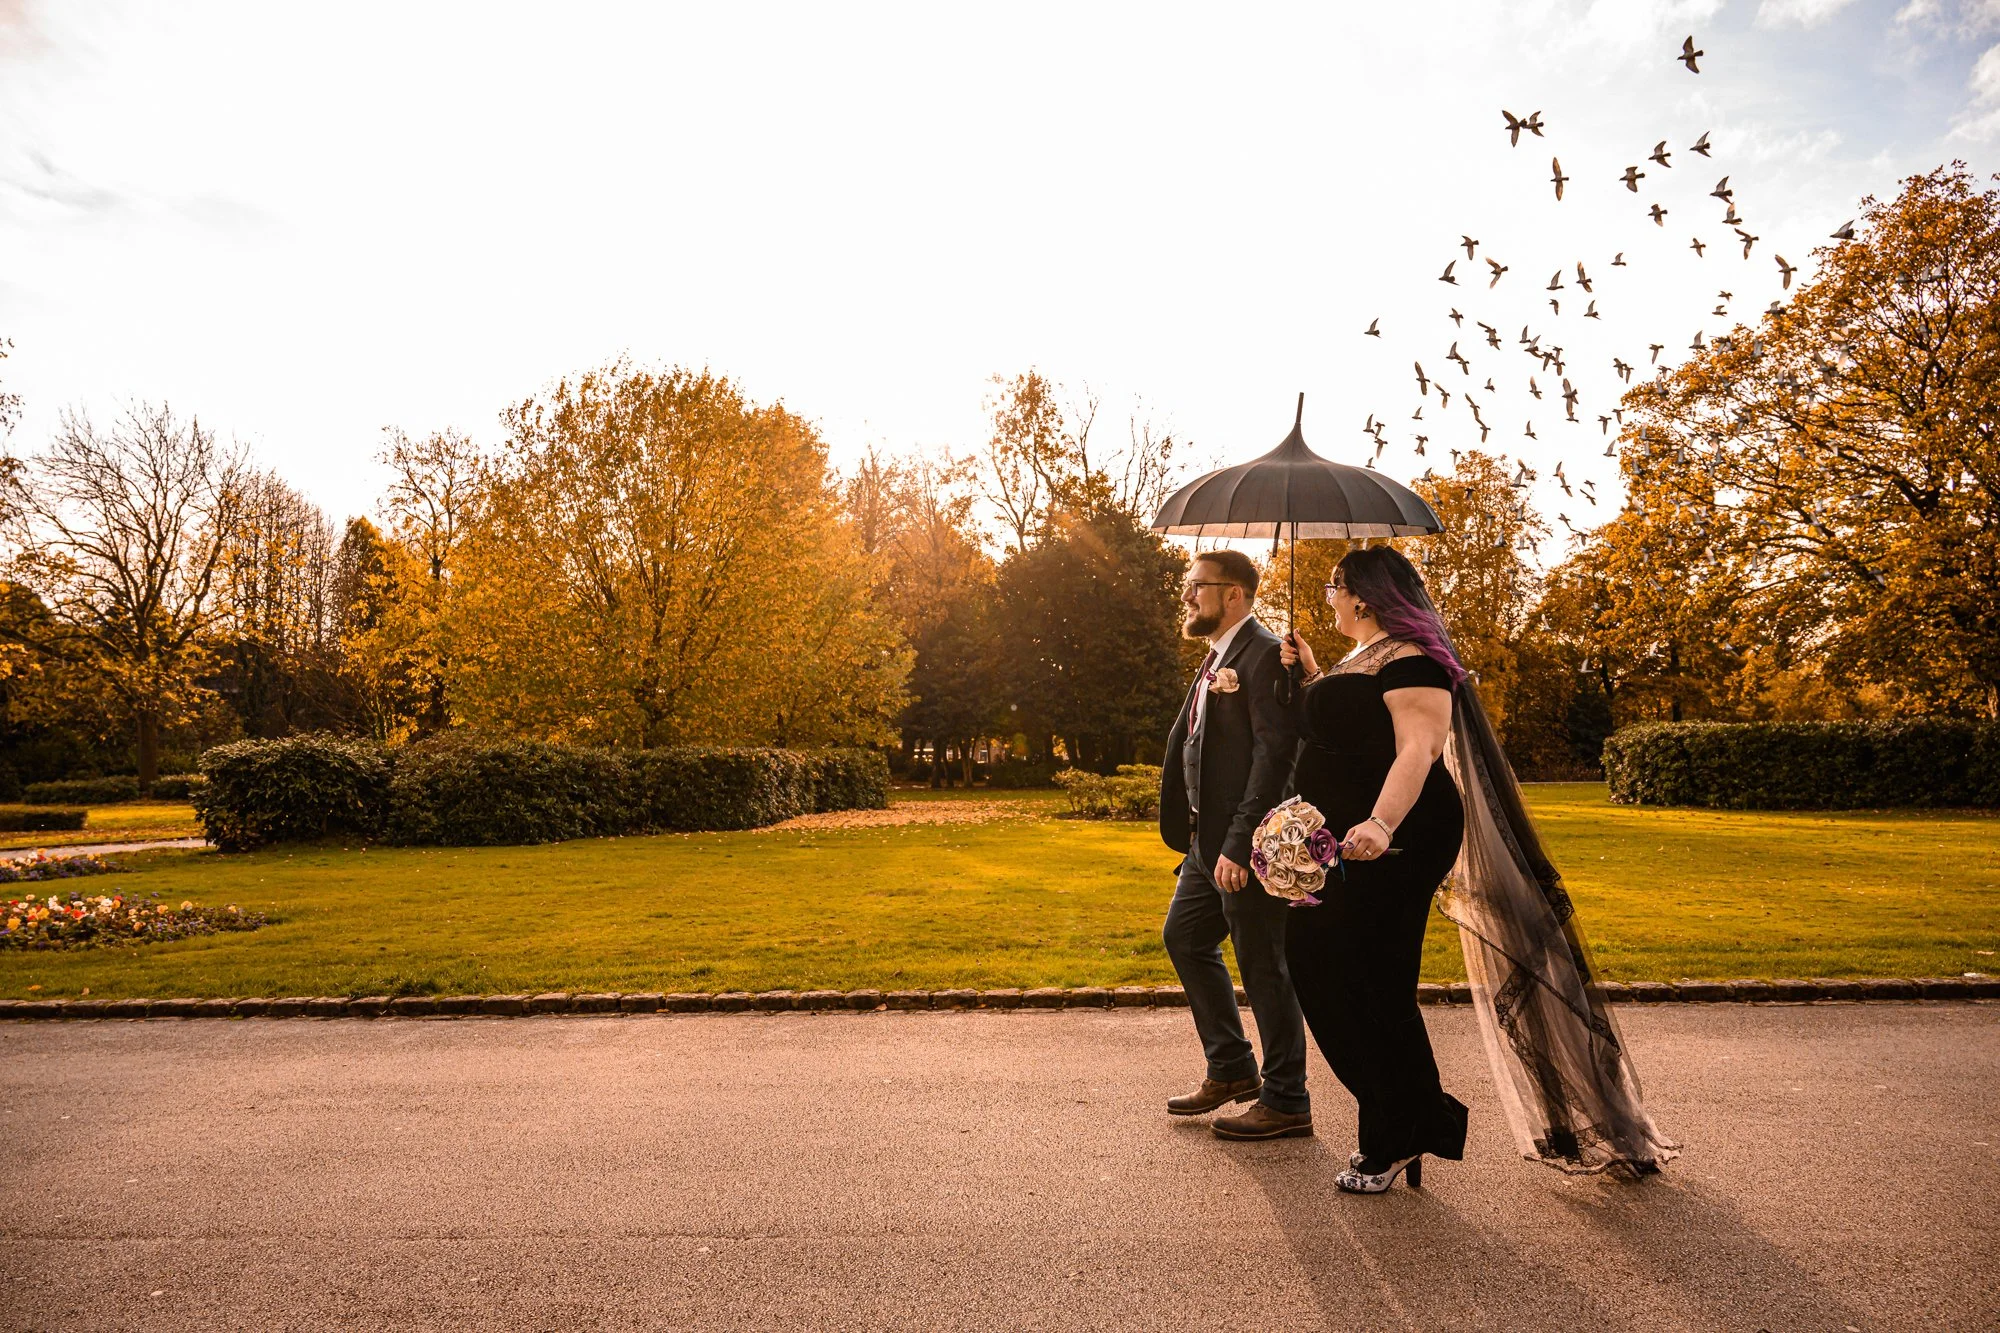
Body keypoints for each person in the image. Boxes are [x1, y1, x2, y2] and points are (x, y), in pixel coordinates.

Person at [1281, 545, 1676, 1191]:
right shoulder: (1362, 657)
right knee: (1319, 966)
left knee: (1375, 982)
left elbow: (1418, 746)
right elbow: (1350, 730)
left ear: (1361, 594)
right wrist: (1316, 673)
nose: (1327, 596)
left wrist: (1381, 822)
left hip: (1399, 833)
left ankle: (1398, 1132)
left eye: (1334, 586)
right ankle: (1414, 1116)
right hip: (1340, 841)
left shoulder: (1415, 659)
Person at [1158, 549, 1311, 1140]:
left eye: (1198, 586)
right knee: (1186, 936)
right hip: (1205, 841)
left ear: (1235, 595)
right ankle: (1230, 1067)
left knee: (1263, 964)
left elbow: (1275, 759)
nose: (1188, 595)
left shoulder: (1266, 655)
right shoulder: (1218, 658)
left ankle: (1287, 1098)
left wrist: (1241, 844)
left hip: (1241, 844)